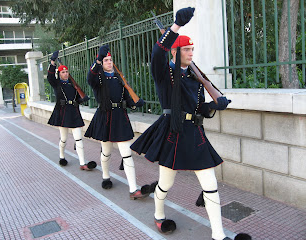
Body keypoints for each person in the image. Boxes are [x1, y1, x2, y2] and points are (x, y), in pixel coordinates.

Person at [131, 7, 250, 240]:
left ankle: (219, 235)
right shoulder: (165, 73)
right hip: (173, 133)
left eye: (192, 49)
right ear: (175, 52)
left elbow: (199, 109)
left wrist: (215, 106)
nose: (191, 53)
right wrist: (175, 27)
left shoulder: (195, 78)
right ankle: (158, 215)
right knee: (166, 183)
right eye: (186, 49)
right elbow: (157, 53)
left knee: (210, 183)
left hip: (194, 133)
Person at [84, 45, 149, 200]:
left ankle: (133, 189)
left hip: (120, 116)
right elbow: (90, 77)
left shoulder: (118, 78)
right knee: (106, 151)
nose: (109, 62)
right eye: (106, 60)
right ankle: (106, 177)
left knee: (126, 154)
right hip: (105, 116)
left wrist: (134, 103)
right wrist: (98, 60)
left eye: (110, 60)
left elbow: (126, 96)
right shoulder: (98, 78)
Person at [47, 51, 96, 171]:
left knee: (78, 138)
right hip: (62, 113)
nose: (65, 74)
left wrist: (82, 99)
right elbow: (50, 76)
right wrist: (52, 62)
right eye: (63, 72)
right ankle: (62, 156)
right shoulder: (56, 84)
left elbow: (77, 99)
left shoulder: (73, 85)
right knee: (63, 138)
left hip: (73, 113)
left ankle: (83, 163)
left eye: (67, 72)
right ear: (60, 73)